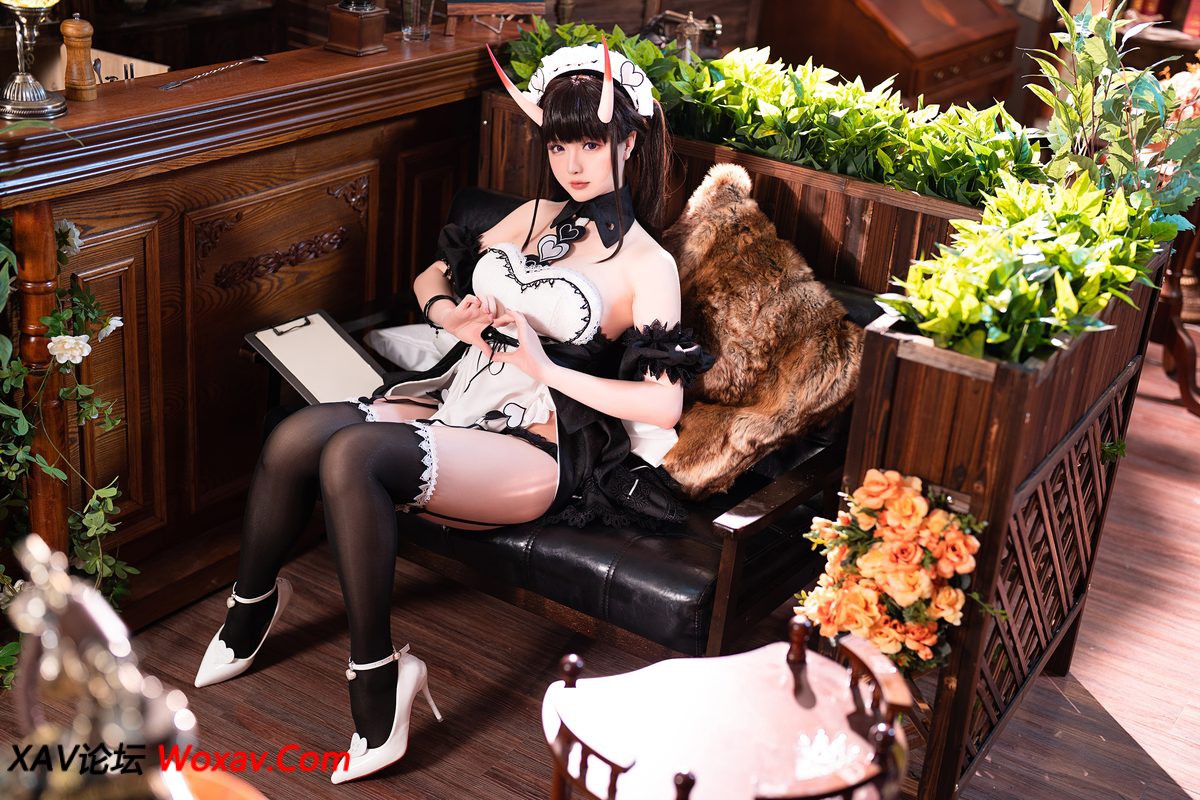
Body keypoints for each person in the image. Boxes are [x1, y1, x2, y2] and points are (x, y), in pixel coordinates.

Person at [192, 38, 713, 785]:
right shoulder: (531, 216)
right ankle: (253, 605)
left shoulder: (647, 265)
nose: (572, 163)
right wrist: (452, 317)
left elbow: (663, 401)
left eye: (591, 144)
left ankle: (378, 681)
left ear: (628, 143)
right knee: (294, 436)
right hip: (456, 403)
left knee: (352, 455)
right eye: (559, 144)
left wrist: (543, 367)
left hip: (537, 445)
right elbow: (431, 276)